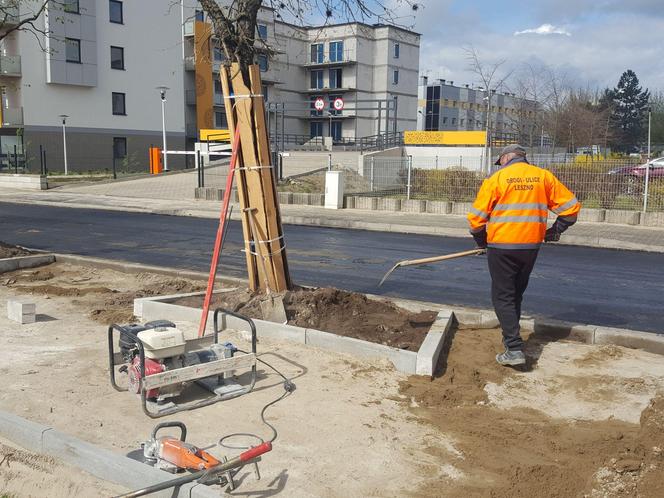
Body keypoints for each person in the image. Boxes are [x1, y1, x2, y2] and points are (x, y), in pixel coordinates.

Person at [467, 144, 581, 366]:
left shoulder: (497, 179)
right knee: (515, 294)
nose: (501, 164)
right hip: (530, 247)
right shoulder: (543, 177)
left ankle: (514, 348)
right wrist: (554, 231)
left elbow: (476, 219)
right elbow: (571, 209)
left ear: (507, 157)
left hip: (502, 247)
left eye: (501, 161)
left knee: (502, 296)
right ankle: (512, 341)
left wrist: (482, 242)